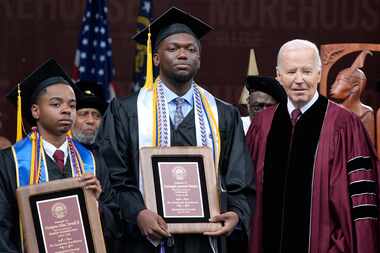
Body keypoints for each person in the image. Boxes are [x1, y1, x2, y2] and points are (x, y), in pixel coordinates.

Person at [96, 6, 254, 253]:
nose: (183, 54)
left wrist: (236, 213)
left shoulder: (224, 114)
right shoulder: (125, 111)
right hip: (146, 240)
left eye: (191, 49)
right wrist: (137, 213)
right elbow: (114, 174)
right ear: (156, 57)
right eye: (173, 48)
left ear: (199, 59)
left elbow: (239, 178)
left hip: (205, 239)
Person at [247, 39, 380, 253]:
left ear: (319, 74)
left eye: (307, 72)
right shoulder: (262, 126)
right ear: (279, 76)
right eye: (291, 72)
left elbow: (361, 206)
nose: (299, 80)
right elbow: (248, 197)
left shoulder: (345, 125)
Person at [0, 59, 116, 252]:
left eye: (72, 105)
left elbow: (116, 224)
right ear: (35, 110)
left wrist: (97, 207)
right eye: (56, 104)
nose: (66, 110)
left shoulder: (93, 162)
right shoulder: (9, 161)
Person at [330, 50, 375, 143]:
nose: (332, 86)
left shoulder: (366, 113)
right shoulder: (333, 111)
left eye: (339, 81)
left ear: (355, 87)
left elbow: (368, 146)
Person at [72, 80, 107, 147]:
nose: (91, 121)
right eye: (83, 114)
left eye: (96, 115)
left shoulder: (112, 155)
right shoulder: (59, 153)